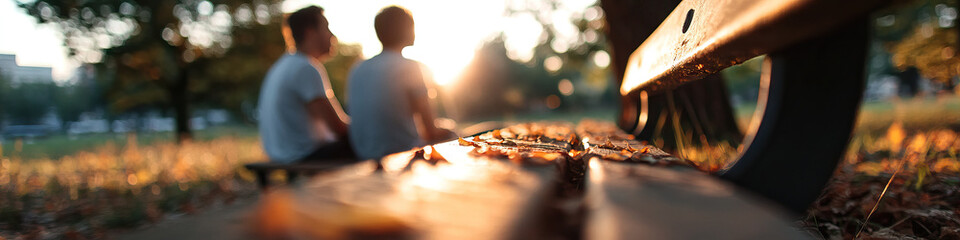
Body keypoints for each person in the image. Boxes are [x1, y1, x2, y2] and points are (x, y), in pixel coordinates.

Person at [347, 6, 453, 160]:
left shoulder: (357, 69)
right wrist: (449, 129)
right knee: (453, 134)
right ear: (406, 29)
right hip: (402, 152)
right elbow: (430, 130)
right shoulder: (409, 67)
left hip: (363, 154)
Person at [258, 6, 353, 163]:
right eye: (327, 28)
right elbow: (339, 128)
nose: (333, 36)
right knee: (375, 140)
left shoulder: (282, 65)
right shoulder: (305, 68)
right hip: (304, 156)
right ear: (310, 32)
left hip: (280, 155)